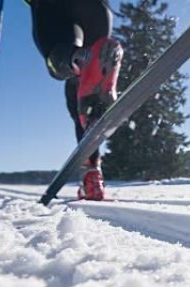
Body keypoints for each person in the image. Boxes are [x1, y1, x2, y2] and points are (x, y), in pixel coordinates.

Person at [24, 0, 123, 200]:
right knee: (88, 80)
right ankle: (90, 66)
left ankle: (80, 60)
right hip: (96, 10)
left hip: (53, 8)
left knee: (64, 66)